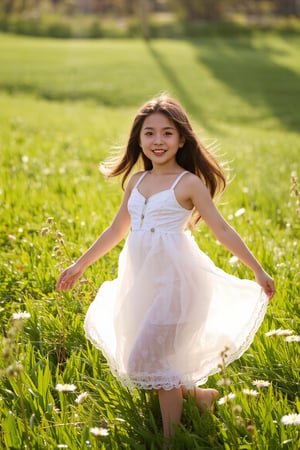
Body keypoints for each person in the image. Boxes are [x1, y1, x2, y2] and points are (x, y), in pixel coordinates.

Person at [56, 95, 275, 444]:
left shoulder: (187, 183)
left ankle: (171, 440)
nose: (158, 141)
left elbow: (222, 230)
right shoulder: (136, 182)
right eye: (150, 133)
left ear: (182, 139)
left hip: (177, 280)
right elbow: (117, 230)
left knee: (150, 358)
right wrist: (80, 264)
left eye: (167, 133)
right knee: (146, 360)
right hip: (141, 280)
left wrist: (258, 270)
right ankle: (200, 398)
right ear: (138, 139)